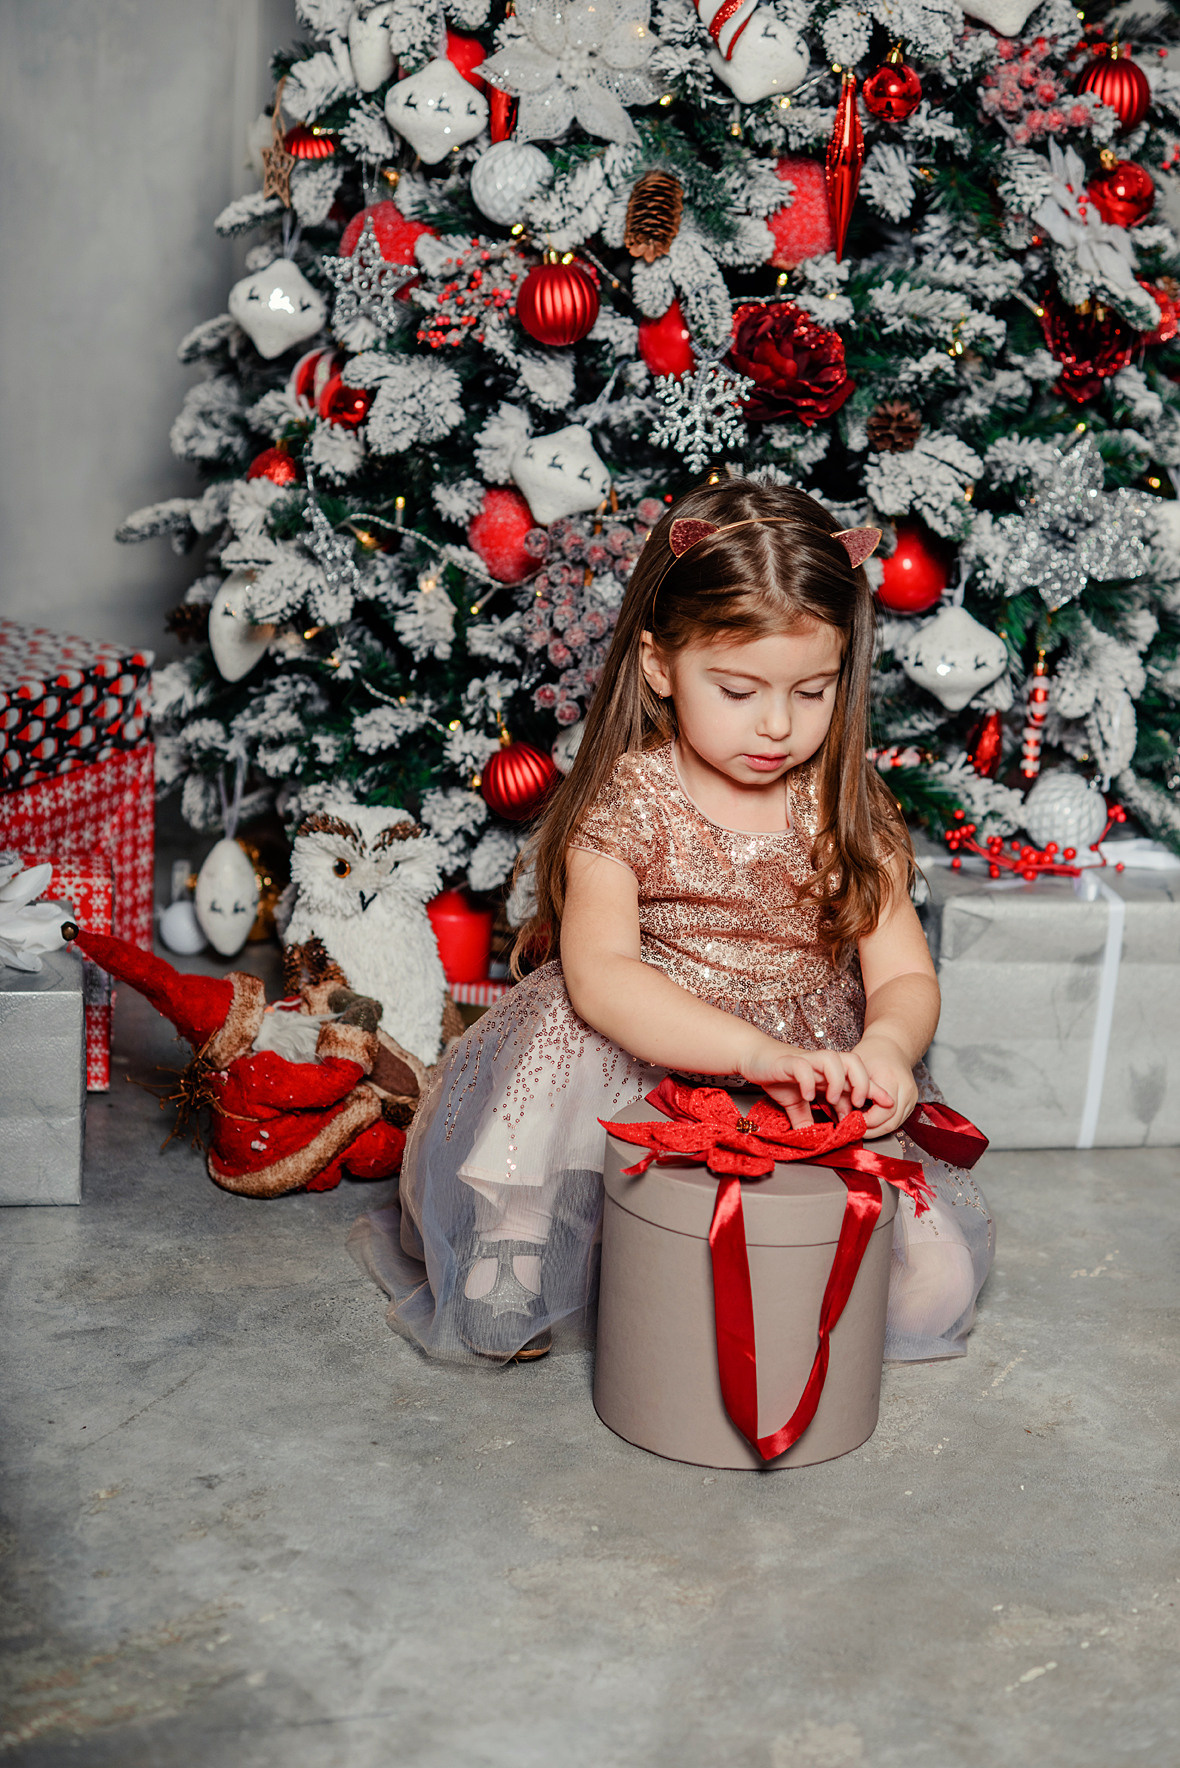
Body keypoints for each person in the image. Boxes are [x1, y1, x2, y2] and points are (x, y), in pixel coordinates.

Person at [349, 478, 993, 1364]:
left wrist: (883, 1049)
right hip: (647, 1037)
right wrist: (750, 1055)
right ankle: (522, 1225)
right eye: (736, 689)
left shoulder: (847, 804)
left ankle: (770, 1263)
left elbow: (906, 975)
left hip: (807, 1055)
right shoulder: (630, 800)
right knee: (563, 1034)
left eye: (813, 692)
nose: (778, 725)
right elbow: (604, 977)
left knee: (937, 1290)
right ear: (660, 666)